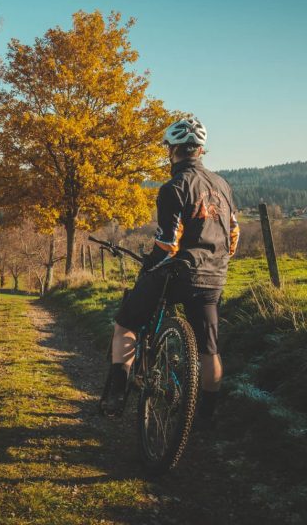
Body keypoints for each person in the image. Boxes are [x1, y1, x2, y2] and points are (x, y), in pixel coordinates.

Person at [102, 118, 239, 427]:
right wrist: (215, 262)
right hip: (213, 276)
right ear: (201, 150)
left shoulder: (173, 187)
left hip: (177, 275)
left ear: (172, 151)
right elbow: (233, 237)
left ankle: (117, 395)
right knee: (209, 349)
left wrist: (149, 265)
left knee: (125, 323)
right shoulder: (223, 185)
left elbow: (168, 245)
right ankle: (205, 418)